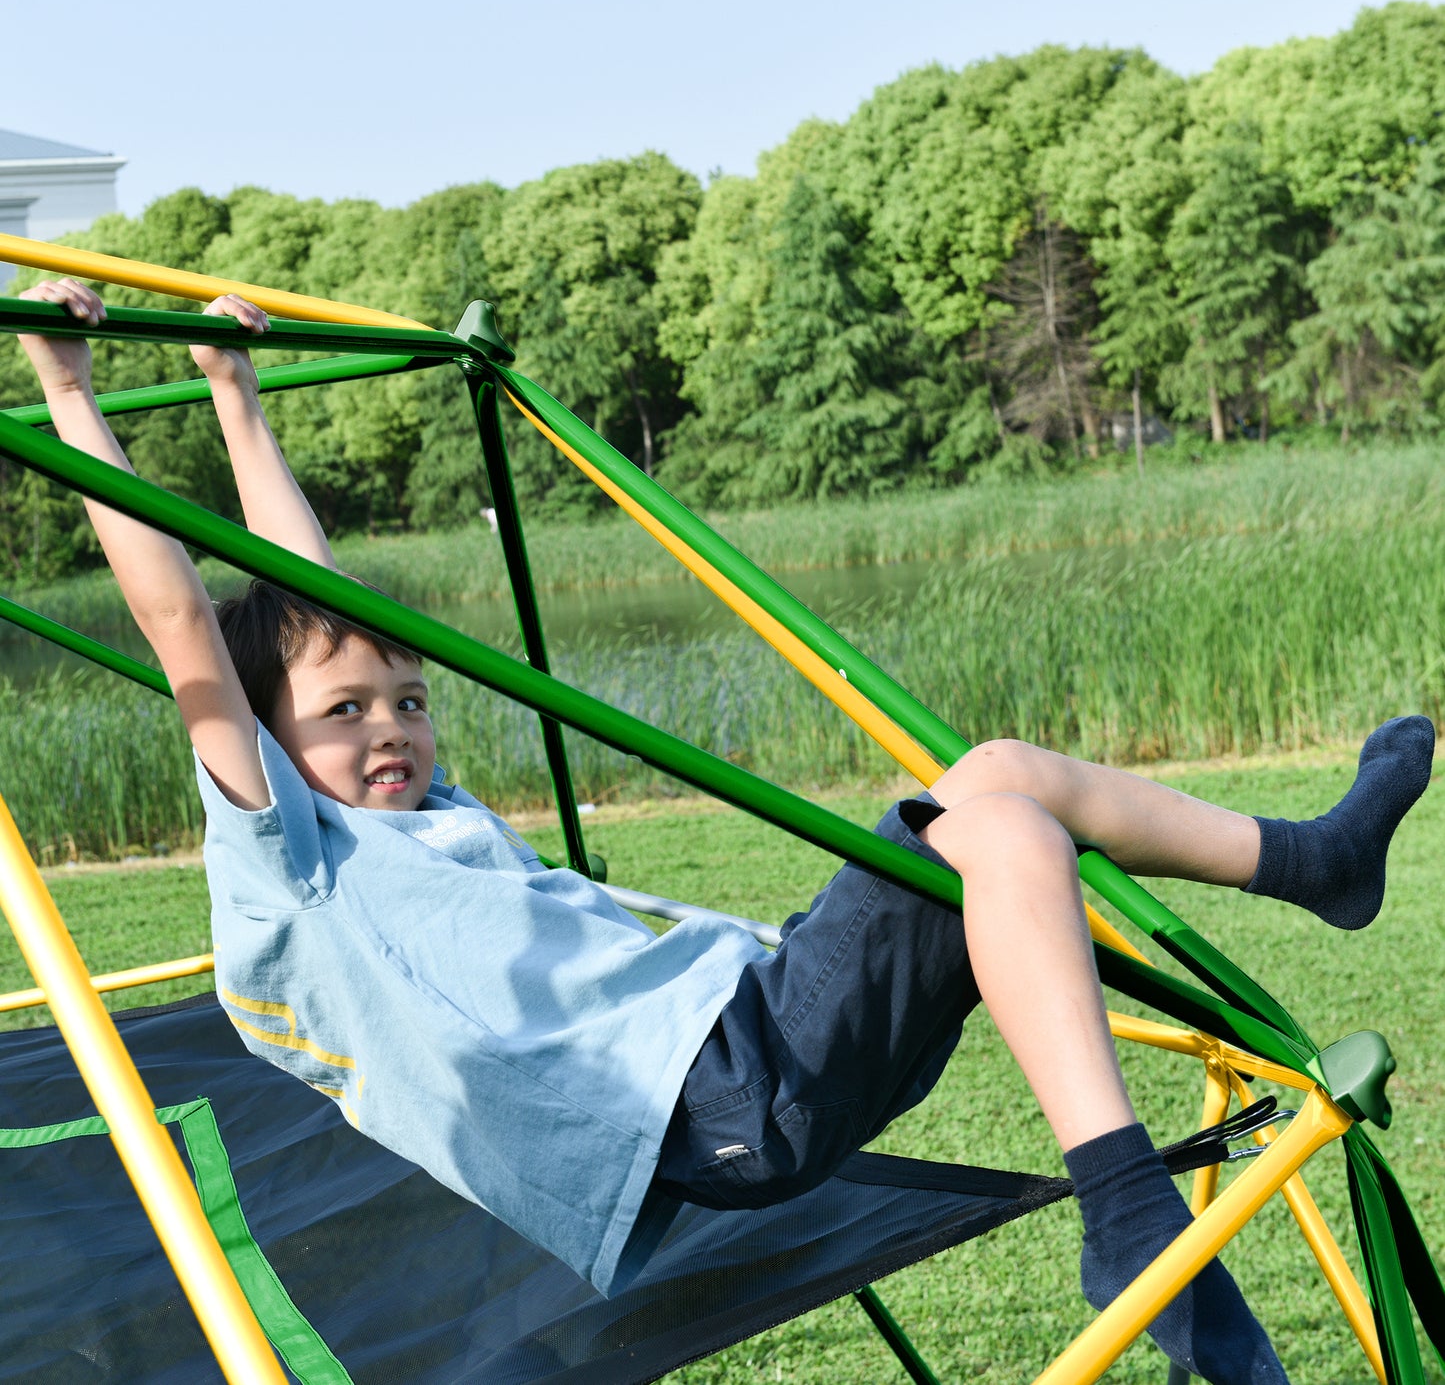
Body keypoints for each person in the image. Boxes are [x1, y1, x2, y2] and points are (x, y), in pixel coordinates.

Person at [17, 278, 1435, 1385]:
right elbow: (183, 620)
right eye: (343, 713)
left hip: (759, 1021)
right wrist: (68, 390)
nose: (388, 726)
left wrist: (236, 398)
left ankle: (1310, 863)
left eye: (407, 701)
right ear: (270, 743)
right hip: (715, 1103)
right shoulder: (303, 867)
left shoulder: (426, 806)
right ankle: (1130, 1216)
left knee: (996, 777)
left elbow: (307, 585)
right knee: (999, 828)